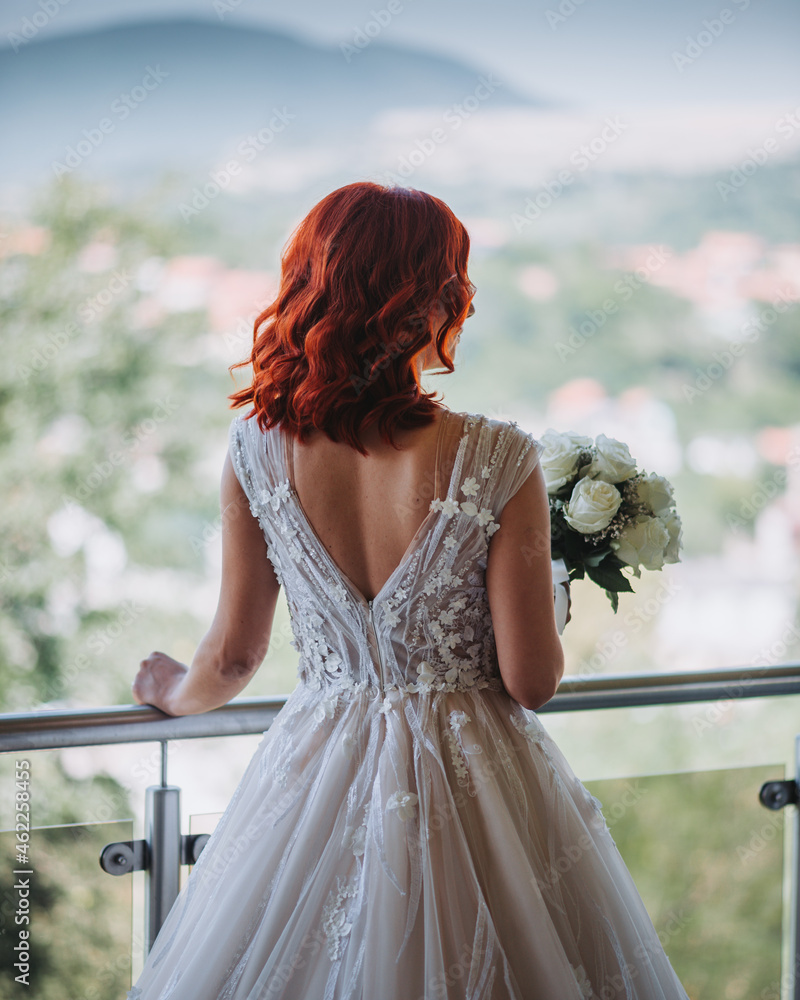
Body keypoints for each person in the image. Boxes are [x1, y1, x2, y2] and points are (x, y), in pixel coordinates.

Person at [129, 182, 690, 999]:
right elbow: (533, 682)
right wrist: (555, 587)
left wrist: (170, 694)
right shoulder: (498, 457)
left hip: (314, 774)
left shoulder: (254, 448)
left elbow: (237, 652)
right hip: (478, 787)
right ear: (432, 300)